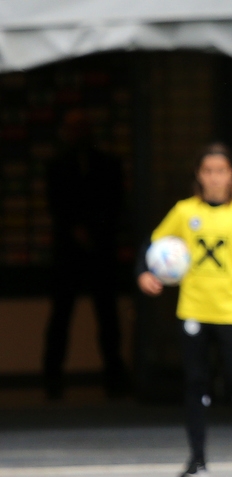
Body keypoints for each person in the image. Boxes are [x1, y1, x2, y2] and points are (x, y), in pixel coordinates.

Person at [136, 144, 232, 477]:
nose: (214, 178)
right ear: (199, 175)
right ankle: (197, 459)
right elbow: (151, 244)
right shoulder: (184, 212)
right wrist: (144, 272)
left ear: (231, 174)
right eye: (208, 171)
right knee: (196, 383)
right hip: (195, 311)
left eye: (220, 171)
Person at [43, 109, 127, 399]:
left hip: (101, 250)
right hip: (68, 253)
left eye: (82, 127)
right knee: (60, 316)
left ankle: (114, 375)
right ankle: (51, 377)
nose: (77, 133)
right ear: (65, 131)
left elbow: (116, 205)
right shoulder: (56, 166)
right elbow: (55, 207)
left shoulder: (108, 164)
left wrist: (95, 233)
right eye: (72, 127)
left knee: (107, 316)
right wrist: (75, 230)